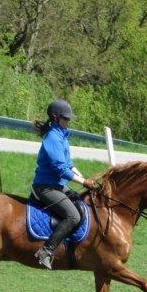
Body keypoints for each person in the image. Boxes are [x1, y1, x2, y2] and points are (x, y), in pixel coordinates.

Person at [31, 99, 97, 269]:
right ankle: (46, 251)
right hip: (45, 187)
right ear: (55, 118)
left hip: (58, 186)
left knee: (82, 202)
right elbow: (60, 169)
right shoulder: (53, 137)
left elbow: (69, 164)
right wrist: (83, 181)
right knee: (73, 216)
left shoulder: (62, 136)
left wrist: (85, 180)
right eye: (66, 118)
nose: (69, 121)